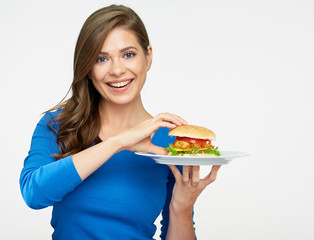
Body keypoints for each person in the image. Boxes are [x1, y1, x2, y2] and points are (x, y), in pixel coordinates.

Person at [19, 5, 221, 240]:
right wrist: (118, 142)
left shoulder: (170, 141)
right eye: (101, 58)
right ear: (88, 69)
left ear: (148, 57)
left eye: (128, 55)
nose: (117, 70)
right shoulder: (59, 124)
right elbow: (33, 194)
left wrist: (182, 208)